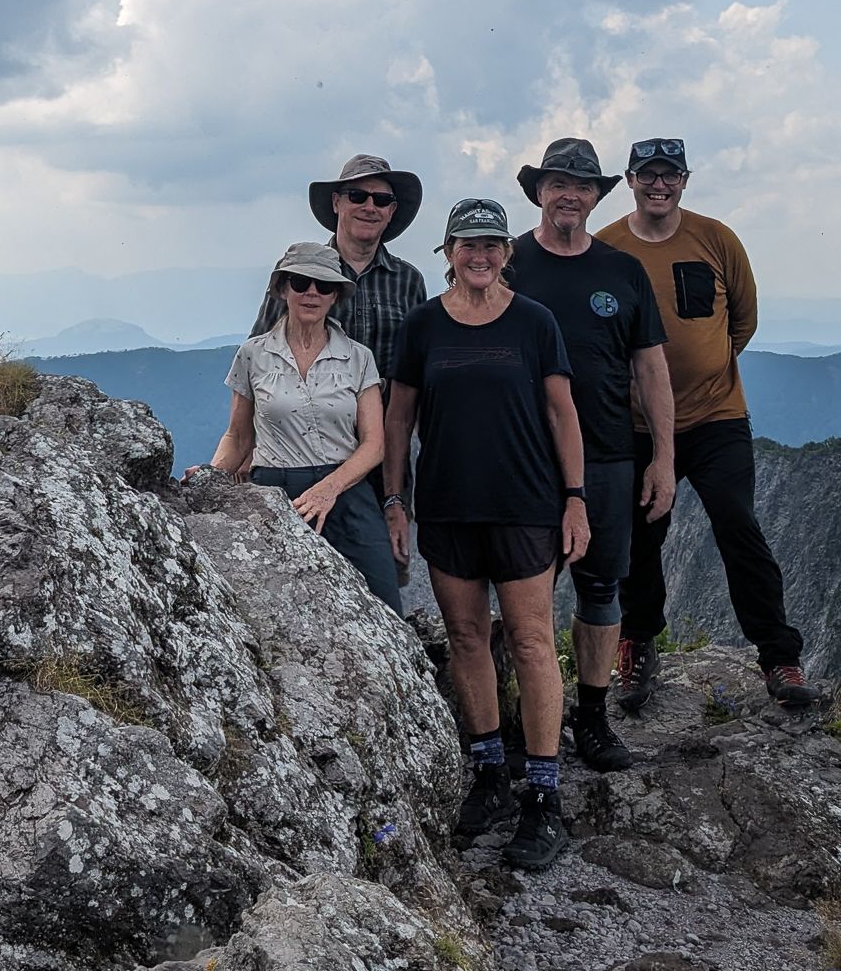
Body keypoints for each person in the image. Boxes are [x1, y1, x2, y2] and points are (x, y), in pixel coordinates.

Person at [383, 198, 588, 870]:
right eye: (467, 244)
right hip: (447, 507)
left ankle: (545, 798)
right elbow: (398, 419)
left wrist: (576, 499)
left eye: (492, 244)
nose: (480, 255)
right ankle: (492, 775)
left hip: (526, 505)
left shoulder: (535, 323)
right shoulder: (422, 327)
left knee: (531, 641)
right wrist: (395, 499)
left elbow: (563, 415)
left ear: (507, 253)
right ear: (446, 252)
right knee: (468, 639)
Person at [595, 136, 822, 709]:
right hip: (639, 427)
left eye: (669, 175)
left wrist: (707, 369)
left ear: (685, 180)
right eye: (648, 175)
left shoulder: (717, 239)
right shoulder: (608, 248)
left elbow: (741, 320)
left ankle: (779, 658)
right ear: (629, 180)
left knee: (737, 525)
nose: (659, 184)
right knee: (640, 539)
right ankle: (638, 643)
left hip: (716, 417)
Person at [506, 138, 676, 771]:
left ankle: (593, 716)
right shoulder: (510, 263)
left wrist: (664, 457)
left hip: (608, 454)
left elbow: (651, 367)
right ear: (539, 192)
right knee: (526, 593)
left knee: (602, 586)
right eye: (557, 183)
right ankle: (532, 717)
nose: (569, 194)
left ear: (598, 195)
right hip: (525, 456)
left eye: (581, 185)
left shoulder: (622, 271)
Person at [208, 242, 401, 610]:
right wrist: (209, 480)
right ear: (282, 290)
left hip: (346, 491)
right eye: (300, 282)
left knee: (383, 603)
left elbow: (374, 444)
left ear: (336, 296)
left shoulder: (359, 358)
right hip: (274, 493)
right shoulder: (252, 355)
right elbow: (238, 435)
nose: (311, 292)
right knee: (277, 610)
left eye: (323, 286)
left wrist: (329, 489)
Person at [249, 154, 430, 514]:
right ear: (337, 203)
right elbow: (259, 360)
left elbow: (417, 372)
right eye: (357, 196)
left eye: (381, 199)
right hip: (301, 453)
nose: (369, 206)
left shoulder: (409, 282)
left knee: (389, 562)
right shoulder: (299, 275)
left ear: (392, 211)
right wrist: (243, 450)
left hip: (385, 455)